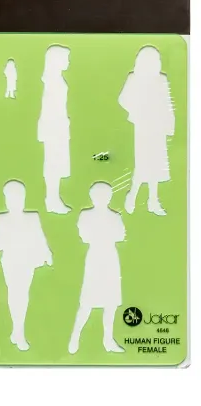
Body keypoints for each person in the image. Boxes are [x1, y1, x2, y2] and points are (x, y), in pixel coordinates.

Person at [0, 181, 52, 351]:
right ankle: (18, 332)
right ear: (7, 200)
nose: (16, 202)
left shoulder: (32, 218)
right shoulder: (2, 220)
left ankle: (17, 331)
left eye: (19, 197)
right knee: (16, 294)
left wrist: (47, 254)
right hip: (10, 262)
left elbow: (40, 238)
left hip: (27, 261)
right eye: (12, 198)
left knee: (22, 294)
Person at [68, 182, 125, 354]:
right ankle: (75, 337)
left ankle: (108, 340)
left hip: (110, 258)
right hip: (95, 258)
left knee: (111, 303)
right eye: (98, 196)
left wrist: (101, 235)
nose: (101, 199)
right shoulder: (85, 215)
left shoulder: (115, 216)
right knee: (87, 302)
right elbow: (84, 236)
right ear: (93, 197)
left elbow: (121, 235)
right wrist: (104, 235)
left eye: (105, 195)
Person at [118, 46, 175, 216]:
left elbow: (167, 103)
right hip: (143, 127)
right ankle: (132, 196)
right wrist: (137, 111)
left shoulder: (161, 80)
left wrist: (170, 124)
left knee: (156, 163)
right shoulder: (134, 79)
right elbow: (123, 99)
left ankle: (153, 201)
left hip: (158, 127)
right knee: (143, 163)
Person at [38, 45, 71, 214]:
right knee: (53, 164)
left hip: (58, 126)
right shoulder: (52, 82)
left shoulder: (56, 80)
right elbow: (48, 107)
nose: (68, 61)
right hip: (54, 127)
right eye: (66, 58)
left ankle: (53, 198)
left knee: (56, 164)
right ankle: (51, 199)